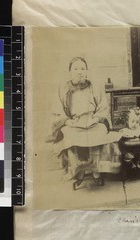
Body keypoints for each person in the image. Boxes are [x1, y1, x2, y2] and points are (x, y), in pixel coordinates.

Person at [47, 57, 122, 186]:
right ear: (69, 71)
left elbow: (103, 108)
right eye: (75, 69)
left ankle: (96, 171)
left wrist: (96, 119)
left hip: (92, 121)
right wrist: (68, 122)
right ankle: (78, 171)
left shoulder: (95, 86)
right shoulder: (62, 88)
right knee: (70, 135)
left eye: (82, 68)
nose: (79, 72)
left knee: (98, 133)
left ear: (87, 71)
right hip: (73, 123)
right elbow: (57, 111)